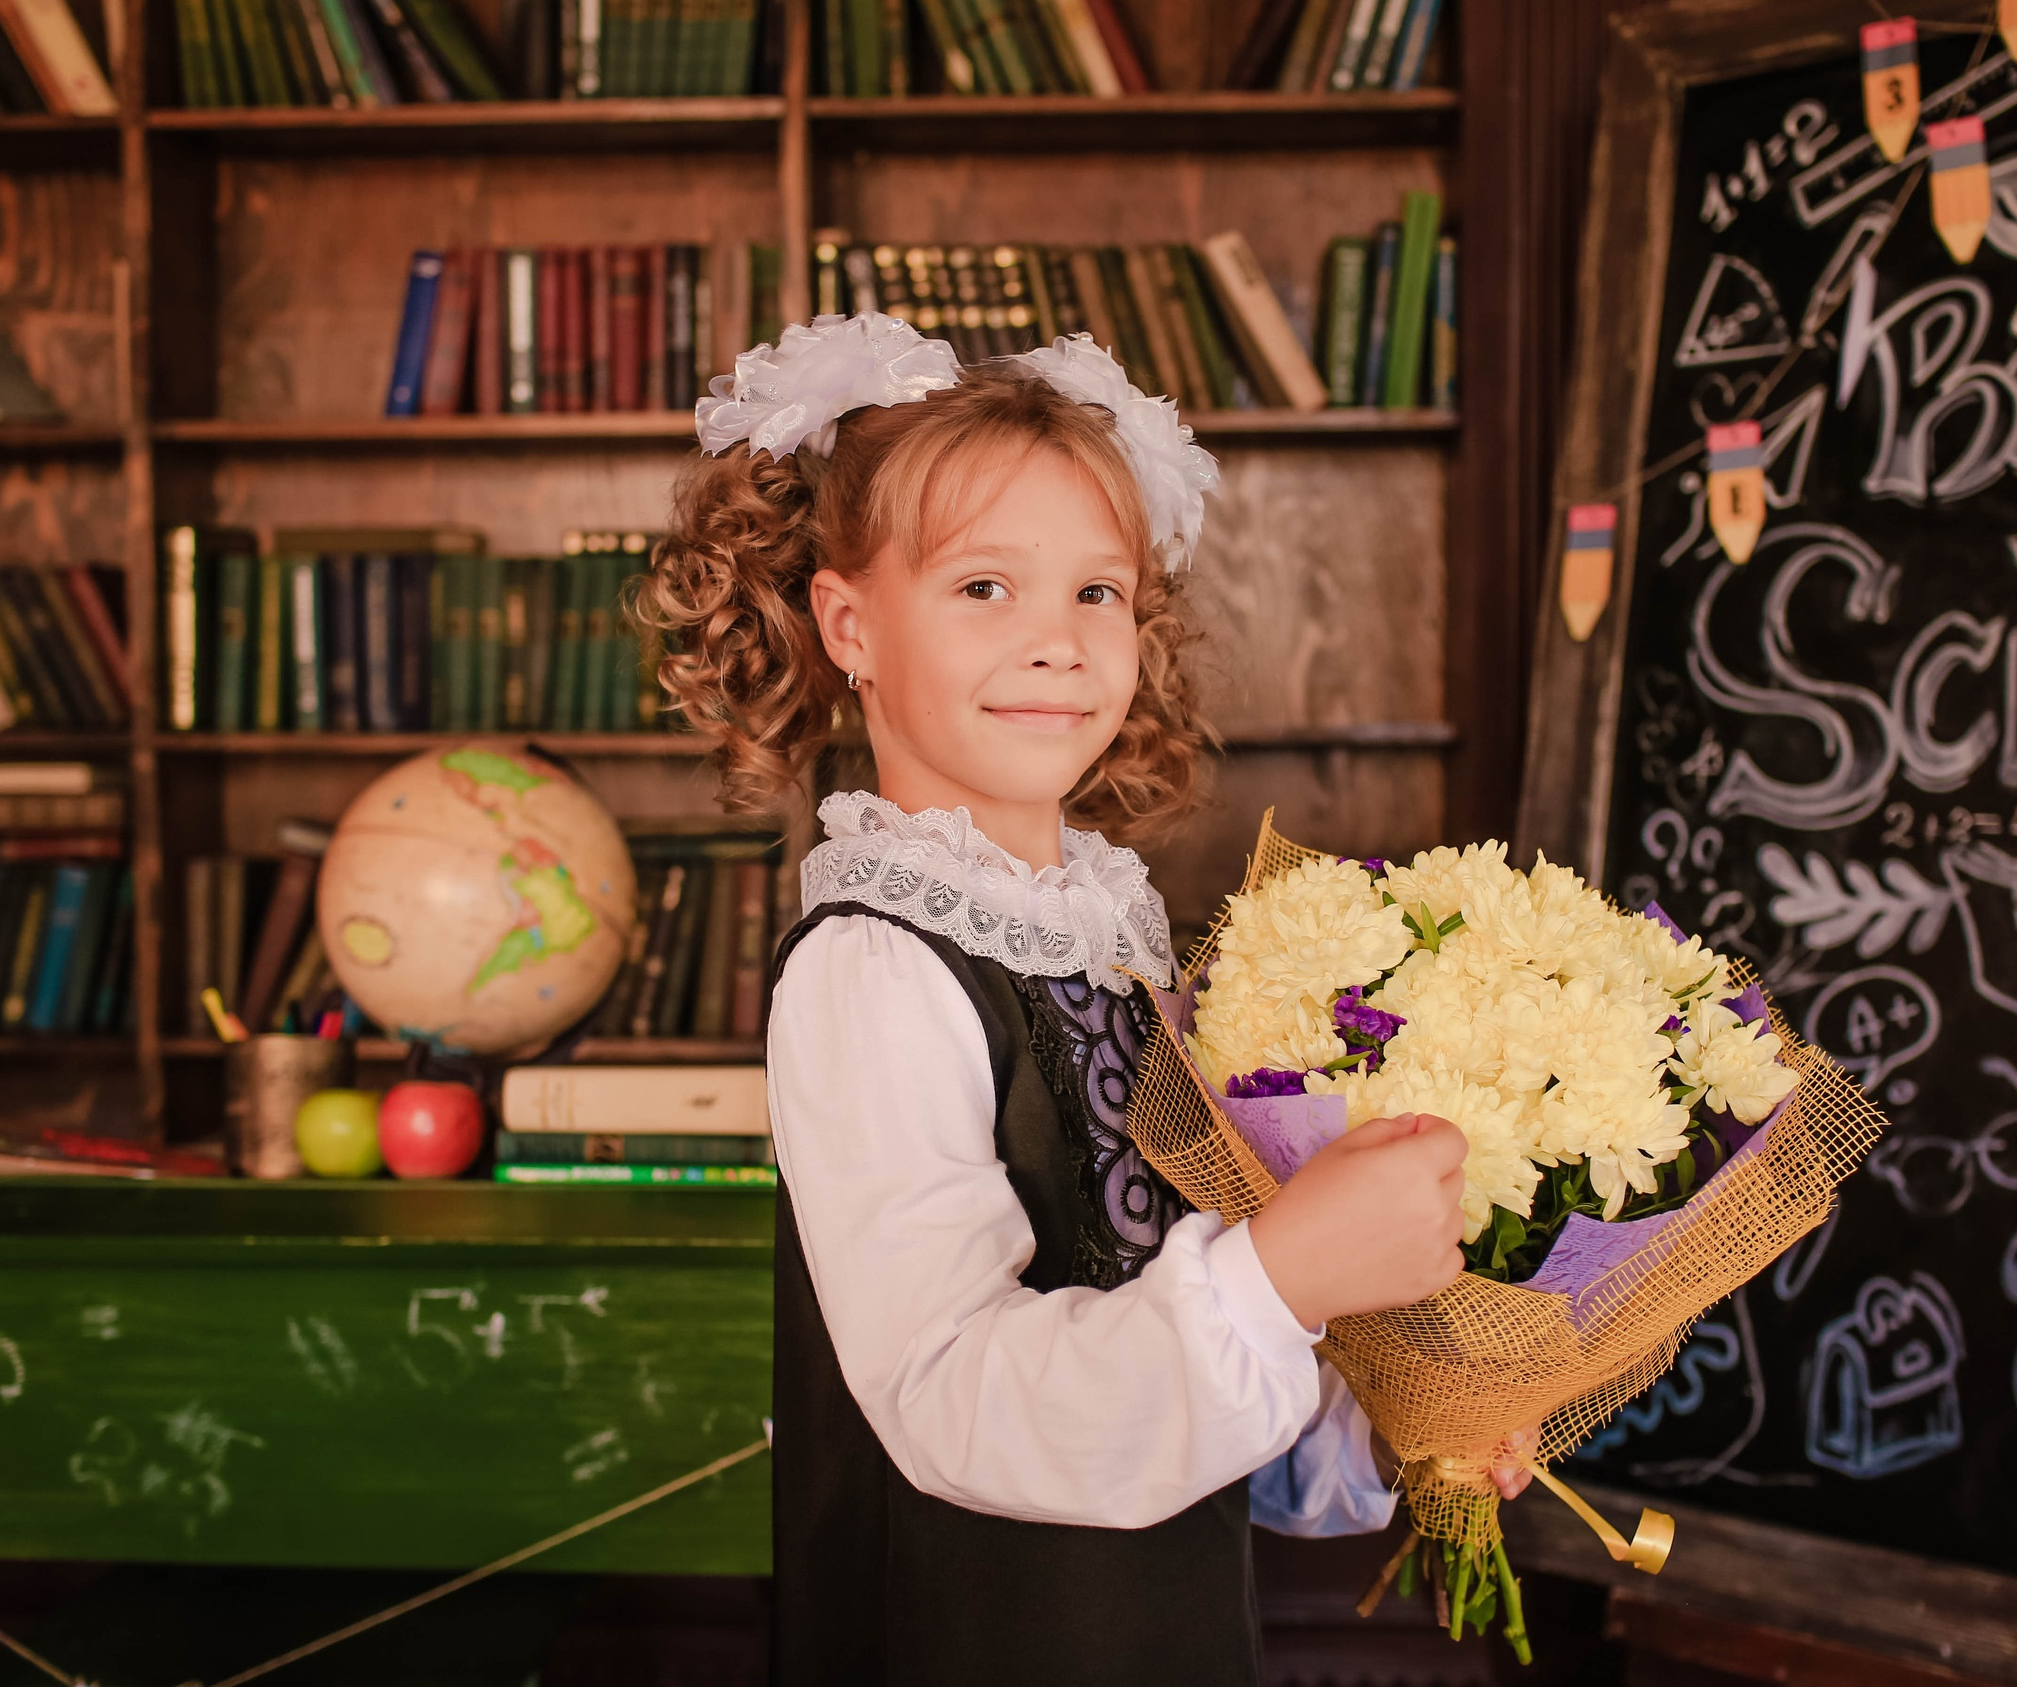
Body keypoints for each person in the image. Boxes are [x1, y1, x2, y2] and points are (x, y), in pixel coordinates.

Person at [636, 313, 1488, 1685]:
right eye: (985, 588)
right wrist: (1280, 1280)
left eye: (1098, 593)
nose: (1058, 642)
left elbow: (1187, 1358)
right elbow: (950, 1402)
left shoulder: (1118, 946)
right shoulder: (875, 969)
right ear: (848, 622)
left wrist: (1388, 1411)